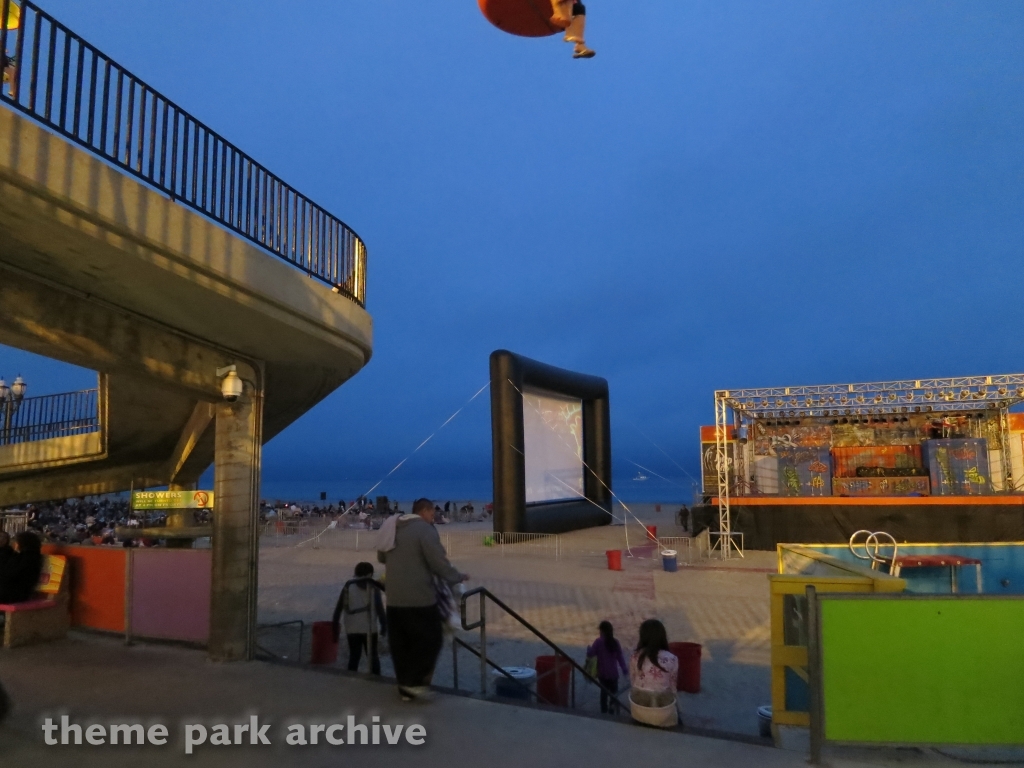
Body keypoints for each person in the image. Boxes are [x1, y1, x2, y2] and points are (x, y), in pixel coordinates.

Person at [377, 497, 468, 702]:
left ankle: (405, 687)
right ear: (425, 511)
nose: (434, 516)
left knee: (401, 643)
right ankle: (415, 683)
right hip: (419, 596)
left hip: (393, 596)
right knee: (431, 638)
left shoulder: (392, 527)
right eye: (432, 512)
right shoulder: (424, 530)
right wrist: (457, 577)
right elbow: (438, 562)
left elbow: (382, 557)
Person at [332, 562, 387, 675]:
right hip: (370, 628)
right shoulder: (373, 587)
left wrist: (334, 627)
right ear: (370, 574)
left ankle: (351, 680)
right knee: (373, 657)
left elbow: (339, 608)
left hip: (352, 627)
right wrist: (383, 626)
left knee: (354, 656)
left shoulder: (348, 585)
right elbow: (380, 609)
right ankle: (376, 681)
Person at [629, 619, 679, 728]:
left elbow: (633, 681)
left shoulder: (635, 657)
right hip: (662, 708)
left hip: (639, 706)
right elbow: (673, 688)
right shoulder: (672, 659)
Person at [586, 620, 628, 714]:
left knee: (604, 693)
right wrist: (624, 668)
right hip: (613, 674)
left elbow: (591, 654)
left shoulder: (598, 642)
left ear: (602, 631)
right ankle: (612, 708)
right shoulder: (615, 642)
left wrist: (588, 649)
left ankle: (604, 711)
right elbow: (620, 657)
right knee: (614, 693)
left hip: (603, 674)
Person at [0, 531, 43, 605]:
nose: (15, 545)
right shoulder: (23, 556)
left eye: (17, 542)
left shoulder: (29, 559)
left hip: (15, 594)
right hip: (10, 592)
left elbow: (10, 574)